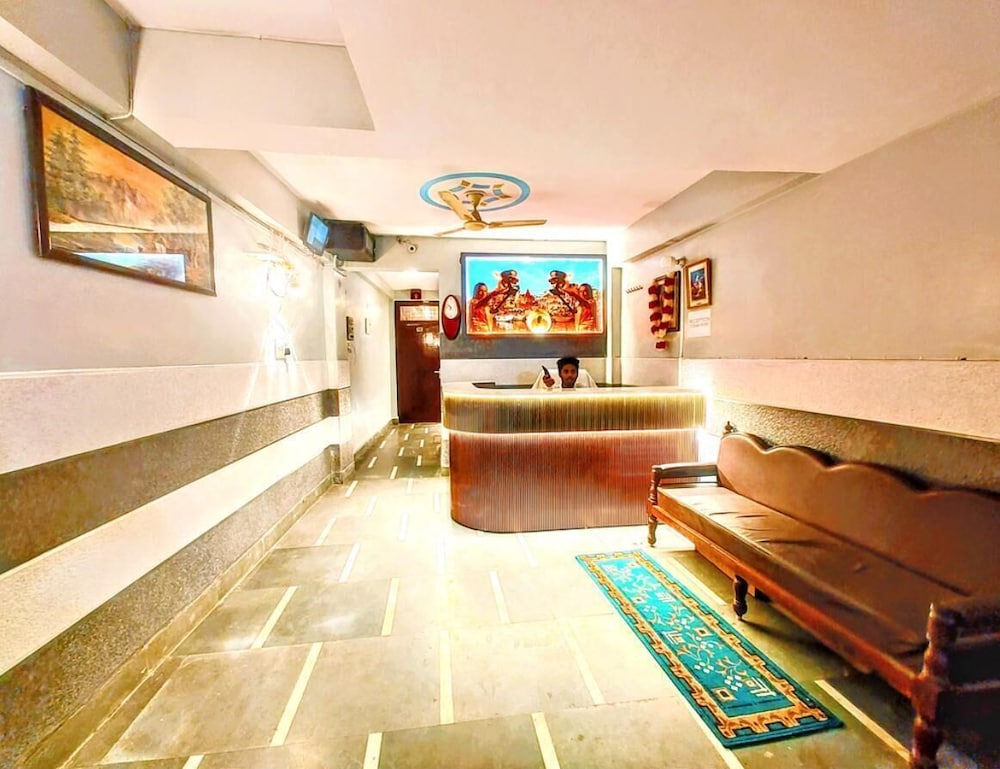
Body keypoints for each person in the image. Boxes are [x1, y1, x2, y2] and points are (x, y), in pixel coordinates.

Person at [532, 356, 596, 390]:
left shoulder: (584, 391)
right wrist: (549, 388)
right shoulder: (554, 392)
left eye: (573, 371)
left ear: (577, 374)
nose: (570, 375)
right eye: (566, 371)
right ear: (560, 374)